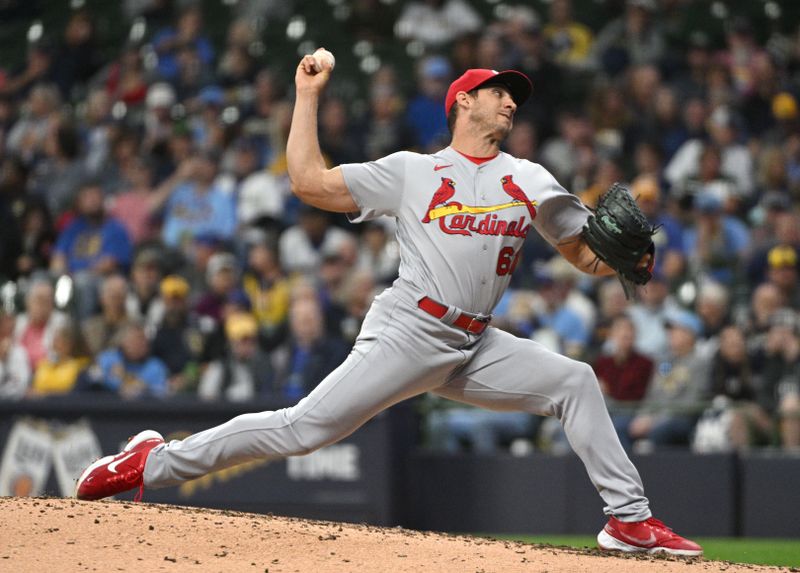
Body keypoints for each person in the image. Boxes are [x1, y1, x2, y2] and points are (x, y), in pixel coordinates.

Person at [75, 58, 702, 556]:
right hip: (409, 330)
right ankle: (148, 463)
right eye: (498, 92)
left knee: (575, 381)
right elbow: (307, 182)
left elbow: (580, 253)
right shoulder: (413, 172)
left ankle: (629, 521)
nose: (511, 102)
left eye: (514, 96)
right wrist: (308, 96)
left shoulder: (530, 178)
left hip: (474, 344)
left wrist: (624, 261)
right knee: (304, 429)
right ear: (462, 101)